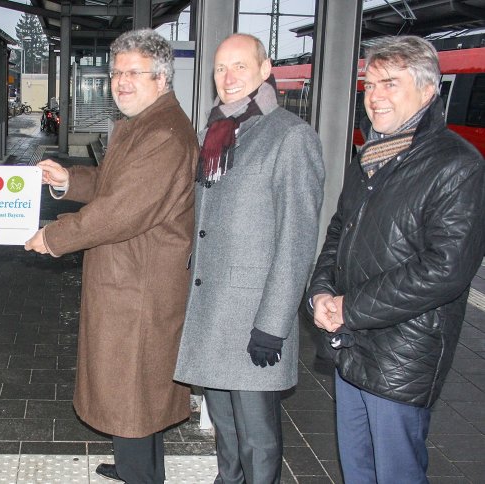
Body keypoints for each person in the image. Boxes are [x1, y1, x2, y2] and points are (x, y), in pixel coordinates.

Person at [308, 35, 485, 484]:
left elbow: (445, 269)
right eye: (371, 85)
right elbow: (338, 233)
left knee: (396, 473)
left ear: (428, 91)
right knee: (358, 469)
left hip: (403, 352)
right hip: (351, 343)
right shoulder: (370, 158)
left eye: (391, 83)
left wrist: (350, 307)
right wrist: (322, 292)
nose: (376, 96)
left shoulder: (456, 164)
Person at [25, 29, 197, 483]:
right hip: (130, 278)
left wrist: (53, 236)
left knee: (132, 386)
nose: (120, 81)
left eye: (133, 73)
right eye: (116, 72)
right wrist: (68, 181)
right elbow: (113, 185)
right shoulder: (144, 123)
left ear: (162, 78)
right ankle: (137, 466)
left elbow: (120, 212)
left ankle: (139, 474)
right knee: (139, 389)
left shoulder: (162, 133)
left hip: (137, 288)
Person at [173, 33, 324, 484]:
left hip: (254, 319)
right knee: (227, 433)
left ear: (265, 69)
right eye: (221, 68)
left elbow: (297, 240)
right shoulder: (216, 131)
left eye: (241, 66)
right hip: (213, 314)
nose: (229, 77)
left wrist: (273, 325)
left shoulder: (291, 137)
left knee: (258, 440)